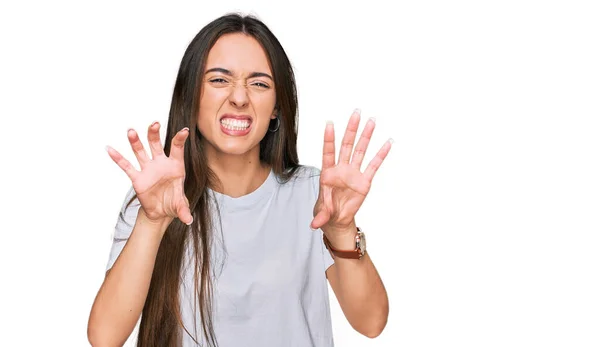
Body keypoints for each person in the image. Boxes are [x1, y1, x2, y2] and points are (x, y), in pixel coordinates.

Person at [87, 12, 392, 347]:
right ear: (192, 95)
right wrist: (152, 221)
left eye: (259, 83)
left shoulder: (312, 196)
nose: (240, 97)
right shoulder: (156, 200)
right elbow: (104, 337)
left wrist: (342, 230)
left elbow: (371, 322)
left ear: (277, 106)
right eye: (219, 80)